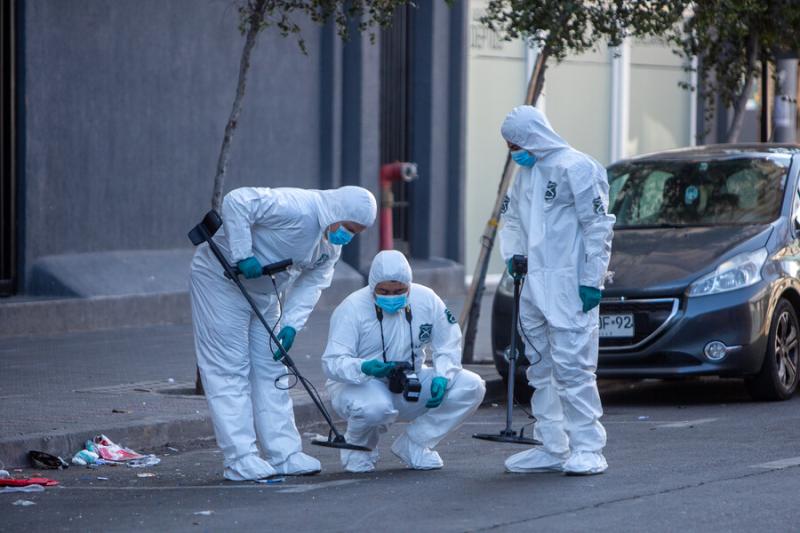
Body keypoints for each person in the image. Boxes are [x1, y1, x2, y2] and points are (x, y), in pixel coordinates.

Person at [190, 185, 377, 481]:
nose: (348, 236)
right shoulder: (298, 206)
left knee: (272, 369)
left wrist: (290, 325)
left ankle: (284, 454)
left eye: (356, 232)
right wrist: (243, 254)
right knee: (229, 370)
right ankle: (240, 459)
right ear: (337, 212)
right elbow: (237, 201)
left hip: (266, 294)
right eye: (349, 228)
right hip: (222, 283)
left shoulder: (330, 246)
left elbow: (312, 284)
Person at [498, 106, 615, 475]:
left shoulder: (578, 168)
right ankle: (553, 445)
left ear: (533, 135)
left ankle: (589, 447)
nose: (513, 151)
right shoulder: (525, 174)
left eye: (515, 143)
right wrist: (514, 255)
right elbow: (512, 218)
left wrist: (591, 280)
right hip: (534, 285)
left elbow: (598, 227)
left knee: (574, 369)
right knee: (541, 366)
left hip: (569, 285)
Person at [321, 250, 486, 473]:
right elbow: (332, 361)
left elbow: (448, 342)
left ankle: (415, 443)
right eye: (384, 291)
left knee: (472, 386)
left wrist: (442, 376)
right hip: (361, 384)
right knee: (375, 407)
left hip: (411, 381)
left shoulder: (426, 300)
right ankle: (359, 450)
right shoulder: (351, 309)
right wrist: (364, 367)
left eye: (399, 291)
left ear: (409, 284)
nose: (391, 296)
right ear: (372, 286)